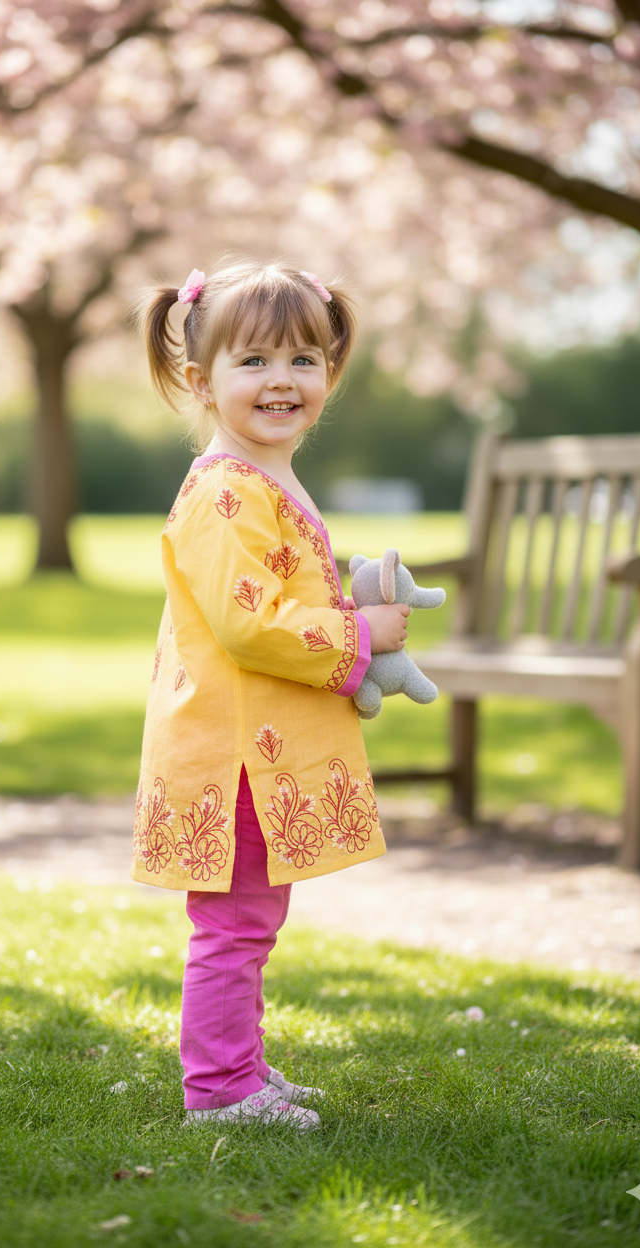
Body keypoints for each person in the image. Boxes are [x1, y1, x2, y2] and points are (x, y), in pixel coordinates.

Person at [131, 259, 411, 1131]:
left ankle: (239, 1066)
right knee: (234, 926)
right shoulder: (224, 492)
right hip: (233, 754)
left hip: (251, 745)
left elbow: (280, 583)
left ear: (329, 371)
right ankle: (218, 1092)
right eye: (252, 361)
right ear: (199, 380)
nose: (281, 380)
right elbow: (251, 623)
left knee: (252, 917)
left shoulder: (259, 478)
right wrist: (364, 638)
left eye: (302, 359)